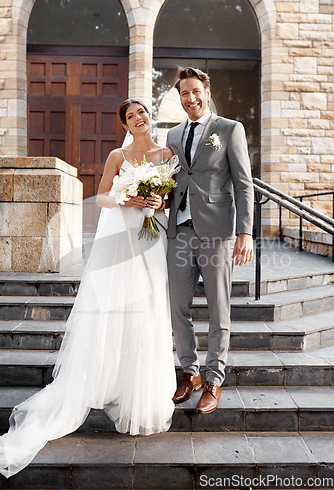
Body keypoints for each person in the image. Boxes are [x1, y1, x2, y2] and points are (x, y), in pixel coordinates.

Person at [0, 99, 176, 479]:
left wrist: (158, 201)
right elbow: (102, 195)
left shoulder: (166, 153)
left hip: (150, 239)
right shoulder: (118, 153)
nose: (138, 119)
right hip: (121, 235)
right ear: (125, 125)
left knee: (147, 306)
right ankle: (102, 376)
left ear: (149, 115)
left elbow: (169, 200)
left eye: (142, 112)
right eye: (130, 117)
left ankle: (138, 389)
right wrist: (128, 198)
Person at [167, 67, 254, 414]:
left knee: (219, 307)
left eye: (195, 92)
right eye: (184, 94)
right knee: (176, 306)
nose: (191, 99)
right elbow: (172, 180)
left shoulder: (230, 130)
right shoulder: (172, 135)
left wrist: (244, 231)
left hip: (217, 232)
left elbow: (244, 184)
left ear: (206, 91)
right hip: (179, 231)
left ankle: (214, 377)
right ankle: (190, 372)